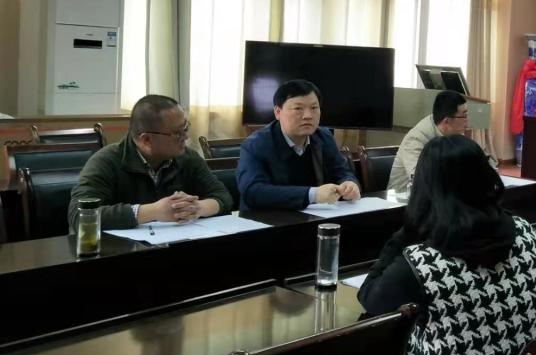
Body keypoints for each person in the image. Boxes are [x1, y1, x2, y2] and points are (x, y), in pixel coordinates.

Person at [359, 135, 536, 355]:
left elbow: (370, 297)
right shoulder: (526, 232)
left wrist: (409, 229)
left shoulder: (425, 263)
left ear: (425, 190)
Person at [68, 95, 232, 230]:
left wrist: (196, 208)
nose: (186, 137)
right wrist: (153, 211)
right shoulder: (106, 161)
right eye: (177, 133)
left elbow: (223, 197)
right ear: (146, 140)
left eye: (186, 128)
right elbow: (80, 215)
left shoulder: (187, 158)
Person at [237, 79, 359, 211]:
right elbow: (253, 191)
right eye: (298, 108)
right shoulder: (255, 144)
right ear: (278, 112)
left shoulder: (323, 136)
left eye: (314, 108)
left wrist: (349, 183)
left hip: (316, 216)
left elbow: (341, 171)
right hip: (267, 218)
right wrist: (312, 194)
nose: (308, 116)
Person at [387, 90, 472, 192]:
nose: (467, 122)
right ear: (447, 121)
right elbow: (420, 179)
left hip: (440, 194)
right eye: (464, 116)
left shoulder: (454, 132)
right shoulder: (416, 139)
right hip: (403, 197)